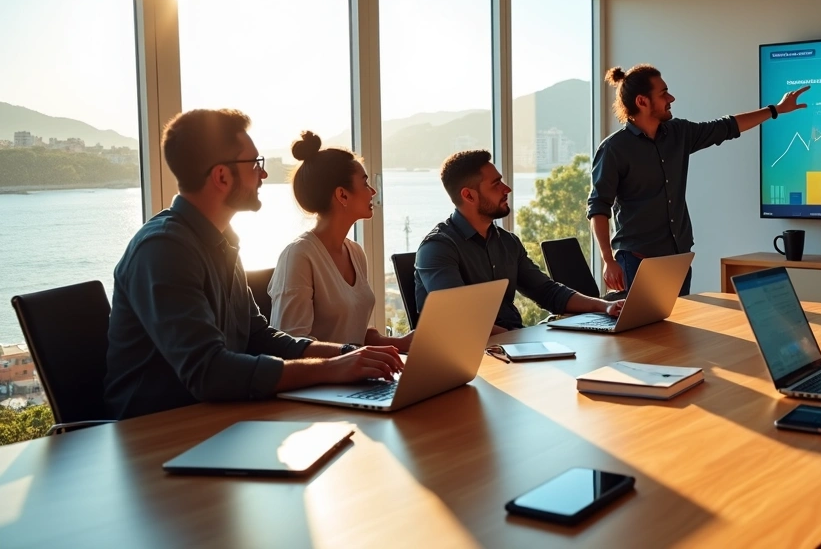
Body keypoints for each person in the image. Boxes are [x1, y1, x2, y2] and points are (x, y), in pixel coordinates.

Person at [104, 109, 404, 420]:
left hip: (216, 419)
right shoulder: (163, 249)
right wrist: (330, 369)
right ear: (222, 175)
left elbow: (259, 336)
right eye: (255, 164)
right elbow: (209, 371)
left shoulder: (223, 242)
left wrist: (349, 355)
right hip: (155, 433)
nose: (263, 174)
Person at [588, 64, 809, 296]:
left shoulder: (678, 133)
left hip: (678, 258)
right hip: (638, 261)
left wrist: (776, 110)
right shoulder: (614, 149)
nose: (671, 98)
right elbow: (598, 208)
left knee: (676, 330)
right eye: (663, 93)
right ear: (642, 101)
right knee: (641, 332)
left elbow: (726, 127)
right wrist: (607, 260)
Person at [415, 149, 623, 335]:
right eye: (496, 184)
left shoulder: (507, 242)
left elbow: (547, 292)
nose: (507, 189)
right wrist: (516, 339)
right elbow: (460, 319)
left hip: (510, 344)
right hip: (471, 356)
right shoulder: (437, 248)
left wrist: (603, 306)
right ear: (469, 195)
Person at [269, 131, 410, 352]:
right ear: (342, 195)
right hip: (320, 385)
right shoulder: (298, 256)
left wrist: (402, 343)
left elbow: (356, 333)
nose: (372, 191)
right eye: (365, 183)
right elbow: (290, 348)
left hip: (357, 379)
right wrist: (355, 359)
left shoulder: (355, 252)